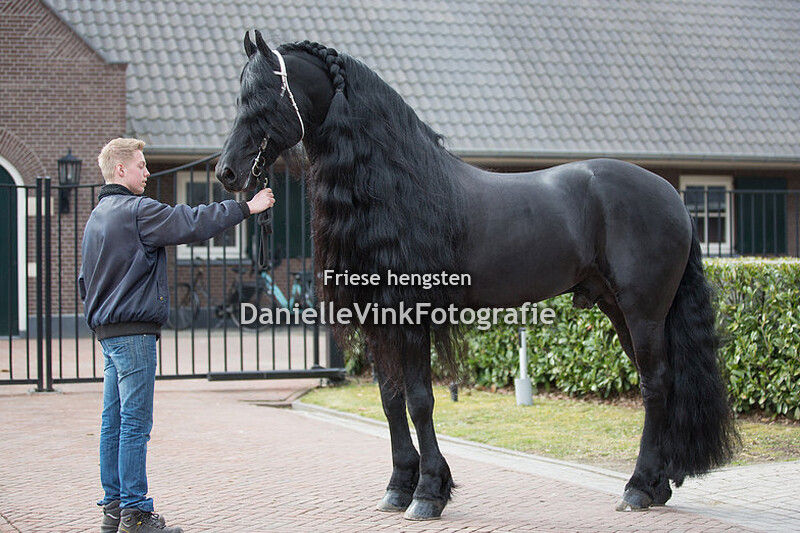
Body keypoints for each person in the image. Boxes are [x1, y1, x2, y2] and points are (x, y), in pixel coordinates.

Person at [79, 138, 274, 533]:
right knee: (134, 423)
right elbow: (192, 221)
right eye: (141, 165)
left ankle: (114, 510)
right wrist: (247, 207)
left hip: (108, 334)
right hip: (134, 335)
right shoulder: (137, 212)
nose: (147, 172)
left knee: (112, 423)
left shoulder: (97, 217)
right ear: (120, 170)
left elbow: (85, 281)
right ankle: (135, 514)